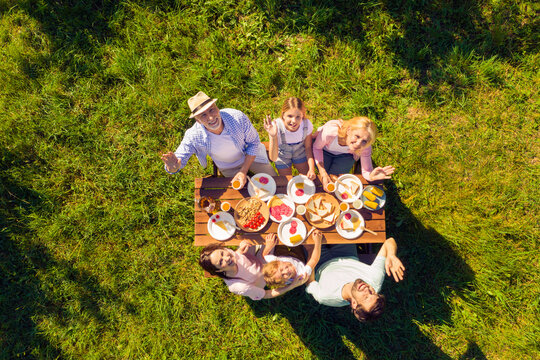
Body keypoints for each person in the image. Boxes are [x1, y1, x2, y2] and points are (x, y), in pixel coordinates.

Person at [161, 91, 276, 188]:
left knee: (276, 184)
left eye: (211, 110)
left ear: (217, 107)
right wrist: (173, 167)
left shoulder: (237, 117)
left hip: (252, 157)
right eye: (203, 115)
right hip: (228, 167)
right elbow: (179, 157)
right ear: (197, 120)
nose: (211, 118)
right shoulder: (193, 135)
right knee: (241, 199)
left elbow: (254, 143)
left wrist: (243, 171)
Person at [305, 237, 405, 322]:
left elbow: (310, 282)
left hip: (320, 260)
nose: (368, 290)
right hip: (346, 253)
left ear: (354, 303)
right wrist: (391, 255)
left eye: (365, 297)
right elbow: (389, 241)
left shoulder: (326, 296)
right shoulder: (374, 281)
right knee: (341, 220)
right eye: (373, 293)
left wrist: (312, 251)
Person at [198, 237, 305, 300]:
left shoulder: (228, 254)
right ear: (219, 271)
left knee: (263, 235)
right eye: (221, 262)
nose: (226, 258)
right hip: (264, 273)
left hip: (256, 258)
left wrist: (239, 250)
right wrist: (291, 286)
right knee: (278, 240)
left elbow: (235, 253)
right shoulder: (239, 286)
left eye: (222, 253)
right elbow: (267, 294)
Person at [312, 117, 395, 192]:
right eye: (357, 136)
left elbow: (366, 171)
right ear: (348, 131)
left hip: (345, 156)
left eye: (364, 141)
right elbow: (317, 148)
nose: (358, 144)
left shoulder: (365, 147)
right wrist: (322, 171)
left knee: (336, 179)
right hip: (324, 151)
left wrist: (371, 177)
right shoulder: (330, 133)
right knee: (323, 174)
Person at [263, 97, 316, 180]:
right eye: (290, 116)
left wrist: (312, 169)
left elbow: (308, 147)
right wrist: (273, 136)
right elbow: (273, 158)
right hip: (282, 155)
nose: (294, 121)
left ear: (302, 114)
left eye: (298, 116)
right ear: (283, 115)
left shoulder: (306, 124)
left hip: (300, 152)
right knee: (287, 181)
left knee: (307, 179)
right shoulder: (276, 127)